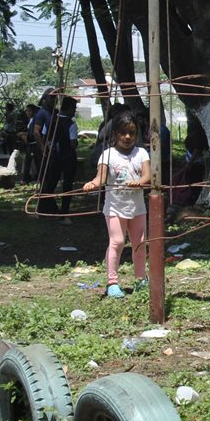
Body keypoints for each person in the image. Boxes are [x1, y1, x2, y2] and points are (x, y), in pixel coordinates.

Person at [82, 110, 150, 298]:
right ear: (115, 134)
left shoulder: (141, 153)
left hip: (137, 208)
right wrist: (92, 184)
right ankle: (112, 283)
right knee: (117, 242)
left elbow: (147, 175)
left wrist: (140, 181)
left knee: (140, 244)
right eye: (123, 132)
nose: (127, 137)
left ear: (137, 134)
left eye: (132, 133)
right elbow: (100, 178)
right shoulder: (108, 155)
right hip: (114, 207)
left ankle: (140, 279)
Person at [39, 96, 79, 223]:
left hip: (54, 156)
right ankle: (63, 214)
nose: (74, 111)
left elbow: (44, 136)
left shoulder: (51, 121)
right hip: (68, 157)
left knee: (50, 183)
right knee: (67, 186)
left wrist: (47, 148)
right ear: (69, 109)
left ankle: (42, 209)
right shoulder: (71, 124)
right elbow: (73, 143)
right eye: (74, 108)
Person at [20, 103, 40, 184]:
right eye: (27, 111)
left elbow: (33, 133)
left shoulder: (35, 120)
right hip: (30, 144)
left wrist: (25, 136)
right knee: (29, 161)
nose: (27, 113)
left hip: (34, 144)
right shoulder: (30, 120)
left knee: (34, 162)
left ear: (34, 111)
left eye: (29, 111)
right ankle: (28, 177)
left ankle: (28, 178)